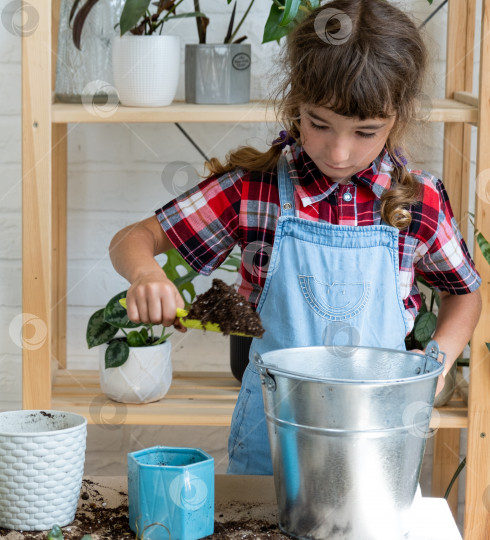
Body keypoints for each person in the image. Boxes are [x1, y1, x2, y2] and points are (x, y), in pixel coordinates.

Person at [108, 0, 482, 475]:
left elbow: (464, 293)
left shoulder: (417, 200)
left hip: (377, 441)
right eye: (319, 123)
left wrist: (437, 364)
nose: (340, 152)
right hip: (273, 439)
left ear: (397, 119)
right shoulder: (254, 189)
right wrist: (144, 273)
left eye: (366, 132)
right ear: (295, 104)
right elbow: (134, 238)